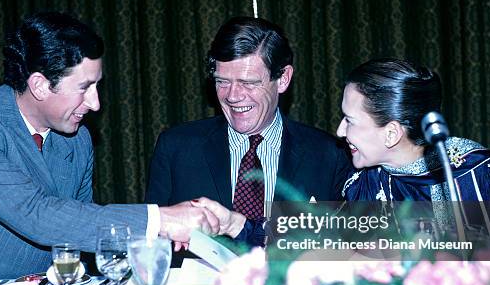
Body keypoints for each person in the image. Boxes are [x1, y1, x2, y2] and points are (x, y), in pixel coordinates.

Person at [0, 12, 218, 279]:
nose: (96, 104)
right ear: (40, 85)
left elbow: (77, 225)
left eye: (97, 86)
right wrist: (161, 220)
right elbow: (36, 214)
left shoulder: (77, 140)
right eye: (84, 88)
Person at [194, 58, 490, 248]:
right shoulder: (364, 185)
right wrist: (234, 223)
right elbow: (310, 243)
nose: (340, 131)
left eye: (351, 121)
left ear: (391, 133)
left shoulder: (489, 179)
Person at [145, 16, 352, 247]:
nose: (232, 96)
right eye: (222, 81)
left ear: (283, 79)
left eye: (248, 82)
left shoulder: (329, 155)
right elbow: (151, 243)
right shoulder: (176, 148)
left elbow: (347, 249)